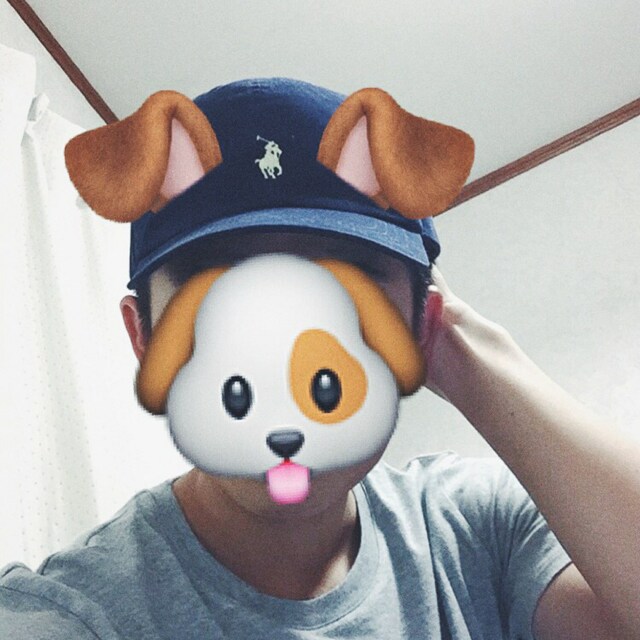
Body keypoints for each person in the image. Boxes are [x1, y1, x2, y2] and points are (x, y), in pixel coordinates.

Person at [1, 78, 638, 639]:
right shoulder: (75, 612)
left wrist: (465, 351)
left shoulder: (475, 528)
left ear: (418, 328)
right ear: (146, 341)